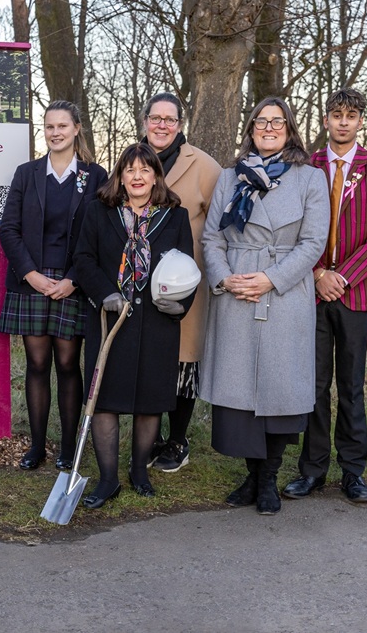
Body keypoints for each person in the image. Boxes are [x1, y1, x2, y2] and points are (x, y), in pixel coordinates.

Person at [200, 97, 329, 516]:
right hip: (237, 290)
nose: (269, 128)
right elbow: (211, 239)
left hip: (284, 293)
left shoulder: (310, 179)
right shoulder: (229, 177)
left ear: (290, 129)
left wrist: (271, 279)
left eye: (277, 122)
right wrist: (223, 278)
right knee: (241, 395)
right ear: (251, 129)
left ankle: (269, 478)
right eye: (261, 121)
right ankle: (251, 475)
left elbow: (313, 243)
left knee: (278, 392)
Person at [283, 89, 367, 504]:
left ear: (360, 121)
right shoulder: (306, 166)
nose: (343, 122)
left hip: (356, 292)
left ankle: (352, 471)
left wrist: (341, 276)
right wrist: (315, 274)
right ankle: (312, 470)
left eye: (351, 115)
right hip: (310, 292)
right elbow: (293, 230)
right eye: (336, 115)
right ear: (326, 120)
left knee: (350, 386)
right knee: (312, 385)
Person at [73, 143, 195, 506]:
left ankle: (139, 470)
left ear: (156, 175)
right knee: (105, 401)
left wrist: (179, 306)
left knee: (149, 403)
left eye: (145, 169)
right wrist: (103, 293)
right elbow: (83, 259)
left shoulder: (175, 216)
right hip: (110, 321)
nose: (138, 176)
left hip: (158, 323)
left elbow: (187, 267)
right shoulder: (99, 212)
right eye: (130, 170)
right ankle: (108, 479)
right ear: (121, 177)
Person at [0, 100, 108, 471]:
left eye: (62, 126)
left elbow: (101, 235)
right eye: (49, 127)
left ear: (77, 129)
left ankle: (67, 448)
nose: (55, 133)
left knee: (67, 364)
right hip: (32, 282)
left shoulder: (94, 177)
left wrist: (74, 280)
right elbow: (9, 229)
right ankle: (38, 447)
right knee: (38, 363)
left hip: (72, 282)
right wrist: (31, 274)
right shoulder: (27, 174)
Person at [138, 92, 221, 473]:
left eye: (170, 119)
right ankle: (148, 437)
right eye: (155, 118)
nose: (162, 125)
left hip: (185, 282)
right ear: (145, 121)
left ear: (180, 124)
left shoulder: (203, 165)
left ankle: (178, 439)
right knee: (148, 359)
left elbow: (221, 225)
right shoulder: (132, 162)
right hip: (138, 281)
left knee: (183, 363)